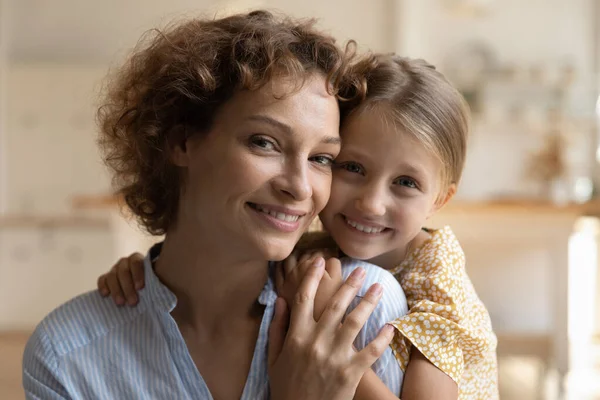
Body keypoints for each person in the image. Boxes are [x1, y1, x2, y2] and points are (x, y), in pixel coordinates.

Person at [22, 10, 407, 400]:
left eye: (321, 158)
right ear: (181, 142)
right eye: (264, 142)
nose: (300, 187)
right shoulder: (69, 355)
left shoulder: (362, 308)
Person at [100, 55, 500, 399]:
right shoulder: (313, 243)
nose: (371, 202)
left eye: (406, 183)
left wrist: (331, 325)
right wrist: (146, 273)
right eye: (352, 168)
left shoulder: (439, 284)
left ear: (439, 202)